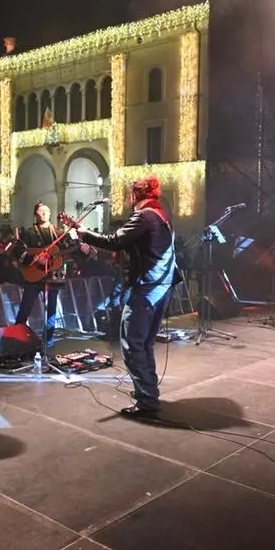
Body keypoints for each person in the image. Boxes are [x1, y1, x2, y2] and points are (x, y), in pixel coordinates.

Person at [73, 176, 180, 417]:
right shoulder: (161, 215)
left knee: (132, 342)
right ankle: (148, 391)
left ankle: (147, 400)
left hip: (147, 286)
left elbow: (115, 241)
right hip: (162, 283)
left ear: (135, 196)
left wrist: (84, 233)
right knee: (144, 343)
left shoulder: (144, 216)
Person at [14, 202, 65, 345]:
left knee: (52, 309)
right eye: (40, 211)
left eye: (46, 211)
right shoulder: (28, 233)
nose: (44, 214)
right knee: (26, 306)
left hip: (54, 275)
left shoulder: (58, 232)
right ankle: (16, 337)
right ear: (35, 214)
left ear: (50, 213)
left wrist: (84, 248)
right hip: (34, 276)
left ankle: (48, 339)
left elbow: (68, 248)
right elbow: (17, 250)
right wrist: (35, 259)